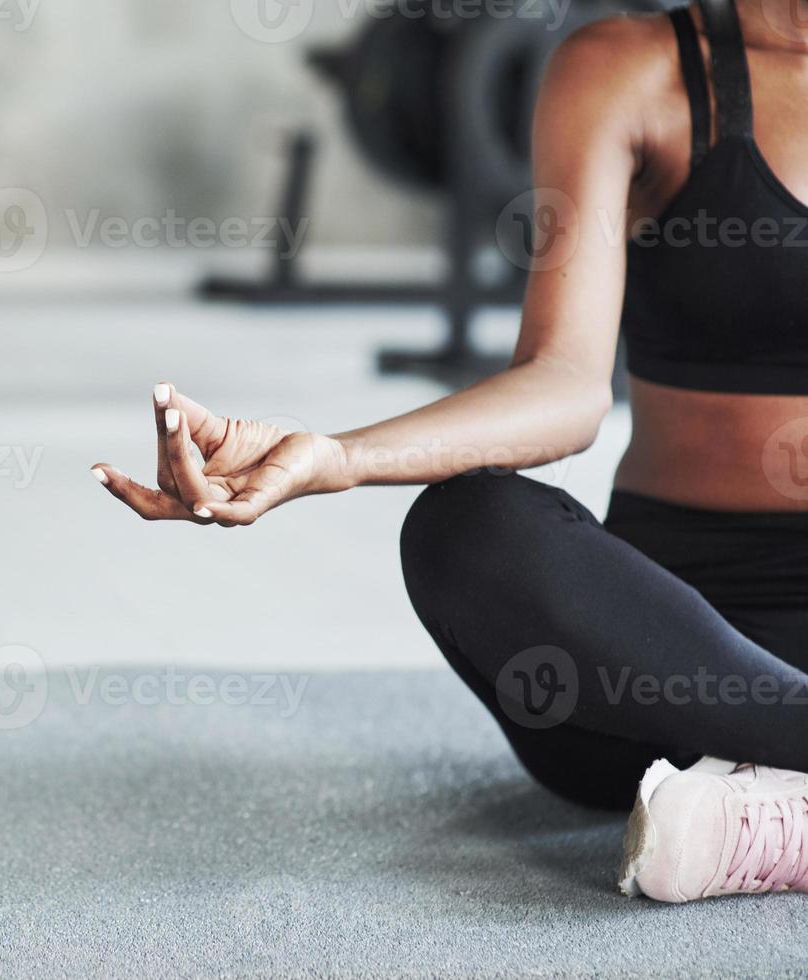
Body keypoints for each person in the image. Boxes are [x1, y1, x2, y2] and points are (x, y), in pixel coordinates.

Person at [92, 0, 808, 903]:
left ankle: (768, 805)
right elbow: (565, 380)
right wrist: (337, 457)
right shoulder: (631, 70)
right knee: (464, 528)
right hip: (655, 670)